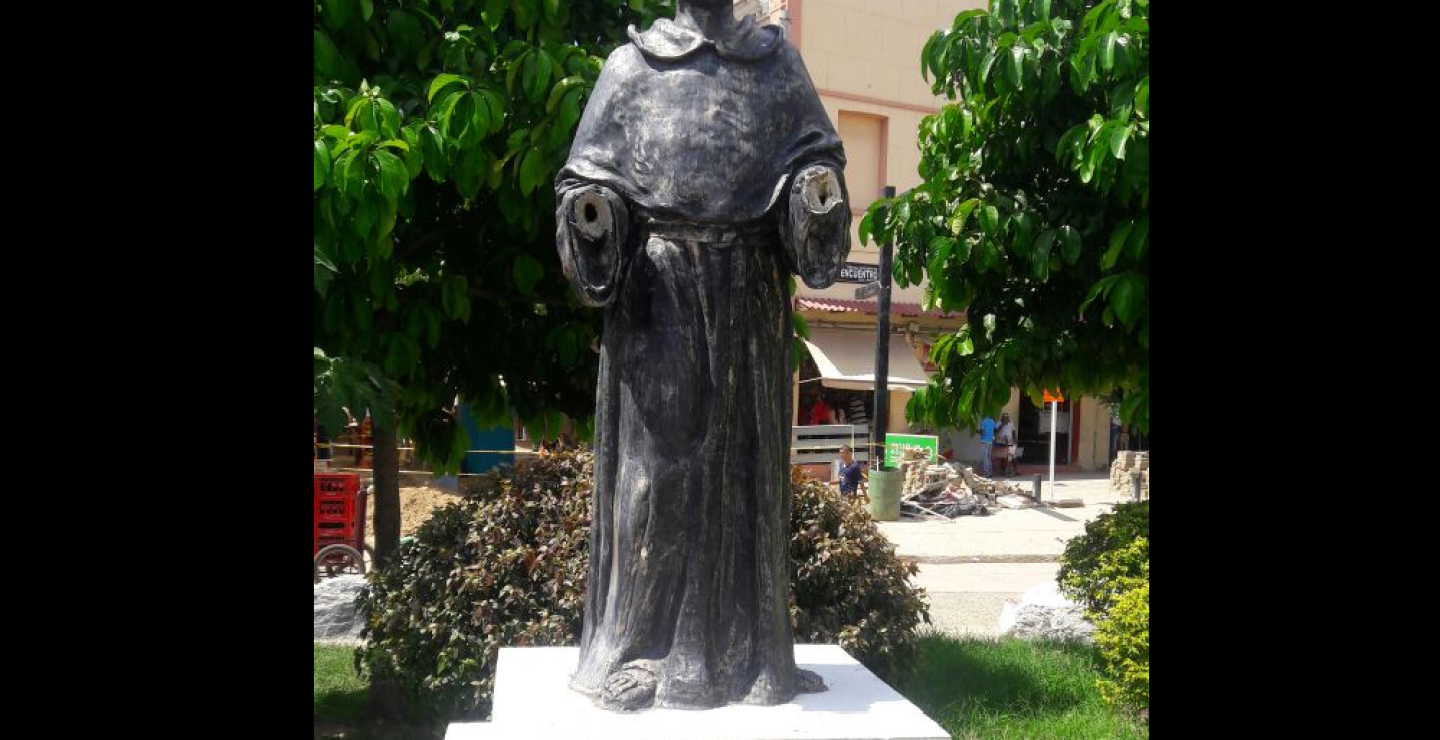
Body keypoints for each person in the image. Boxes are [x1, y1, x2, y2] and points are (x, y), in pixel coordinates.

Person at [555, 0, 847, 711]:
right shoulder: (631, 67)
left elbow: (819, 170)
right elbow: (584, 183)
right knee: (657, 482)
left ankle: (747, 656)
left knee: (746, 476)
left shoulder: (777, 67)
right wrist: (595, 210)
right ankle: (641, 648)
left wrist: (813, 198)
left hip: (749, 295)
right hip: (660, 295)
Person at [995, 412, 1017, 477]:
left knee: (1012, 457)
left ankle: (1013, 471)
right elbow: (996, 431)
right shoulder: (999, 423)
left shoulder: (1011, 423)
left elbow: (1013, 432)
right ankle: (1003, 471)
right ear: (1002, 418)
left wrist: (1015, 440)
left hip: (1010, 443)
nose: (1006, 418)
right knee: (1003, 458)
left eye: (1007, 417)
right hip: (1001, 443)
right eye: (1004, 417)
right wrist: (1002, 424)